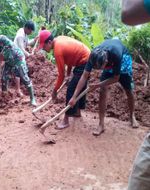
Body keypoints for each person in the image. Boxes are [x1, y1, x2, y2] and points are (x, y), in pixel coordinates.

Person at [68, 39, 139, 136]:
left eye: (99, 68)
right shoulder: (93, 56)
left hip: (123, 60)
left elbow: (116, 78)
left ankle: (132, 116)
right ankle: (101, 124)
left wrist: (98, 84)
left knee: (128, 90)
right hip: (109, 64)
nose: (97, 70)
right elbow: (84, 76)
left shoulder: (116, 55)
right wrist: (74, 97)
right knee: (102, 91)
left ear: (105, 61)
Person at [121, 2, 150, 189]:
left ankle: (132, 117)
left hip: (122, 64)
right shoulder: (94, 59)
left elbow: (128, 14)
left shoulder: (120, 55)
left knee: (129, 90)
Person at [38, 30, 91, 130]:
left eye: (44, 46)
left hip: (84, 60)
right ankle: (77, 112)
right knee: (80, 85)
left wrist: (55, 91)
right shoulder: (59, 40)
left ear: (49, 42)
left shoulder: (57, 50)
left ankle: (66, 120)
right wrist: (68, 75)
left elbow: (60, 75)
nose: (44, 49)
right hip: (85, 57)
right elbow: (70, 58)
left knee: (71, 89)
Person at [0, 34, 37, 106]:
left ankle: (32, 99)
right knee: (3, 78)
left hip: (18, 58)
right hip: (8, 61)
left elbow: (9, 45)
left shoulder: (2, 39)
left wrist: (2, 54)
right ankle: (4, 97)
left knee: (23, 77)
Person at [13, 21, 36, 96]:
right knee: (19, 71)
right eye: (30, 30)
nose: (31, 32)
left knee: (21, 72)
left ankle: (21, 88)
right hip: (16, 55)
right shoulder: (20, 35)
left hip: (20, 55)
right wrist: (29, 55)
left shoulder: (24, 33)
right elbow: (21, 48)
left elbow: (27, 43)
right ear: (26, 28)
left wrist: (34, 40)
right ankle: (18, 90)